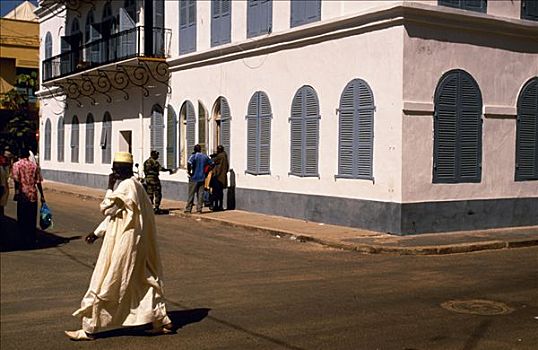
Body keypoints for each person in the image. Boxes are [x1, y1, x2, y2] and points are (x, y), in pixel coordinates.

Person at [65, 152, 172, 341]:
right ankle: (161, 320)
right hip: (137, 244)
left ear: (120, 170)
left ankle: (89, 328)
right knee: (143, 280)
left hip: (124, 244)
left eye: (115, 169)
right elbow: (118, 216)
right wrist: (97, 232)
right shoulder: (137, 186)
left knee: (106, 280)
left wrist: (109, 187)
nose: (113, 172)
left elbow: (107, 208)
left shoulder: (125, 187)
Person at [11, 148, 45, 246]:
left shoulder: (16, 165)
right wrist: (42, 196)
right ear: (28, 155)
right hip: (33, 194)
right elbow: (38, 182)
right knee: (31, 217)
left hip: (23, 195)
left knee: (22, 217)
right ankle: (32, 238)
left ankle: (22, 238)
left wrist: (16, 193)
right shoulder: (34, 166)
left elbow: (16, 180)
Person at [184, 144, 212, 214]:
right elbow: (212, 164)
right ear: (200, 149)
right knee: (200, 194)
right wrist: (206, 172)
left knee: (191, 194)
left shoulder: (194, 156)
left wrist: (189, 172)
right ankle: (199, 209)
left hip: (194, 178)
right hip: (202, 177)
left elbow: (189, 163)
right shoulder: (205, 156)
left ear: (194, 149)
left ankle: (188, 209)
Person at [210, 145, 229, 211]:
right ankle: (220, 206)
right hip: (223, 177)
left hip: (218, 177)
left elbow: (212, 161)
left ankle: (216, 206)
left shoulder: (220, 156)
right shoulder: (225, 155)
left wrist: (213, 156)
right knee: (220, 193)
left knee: (215, 192)